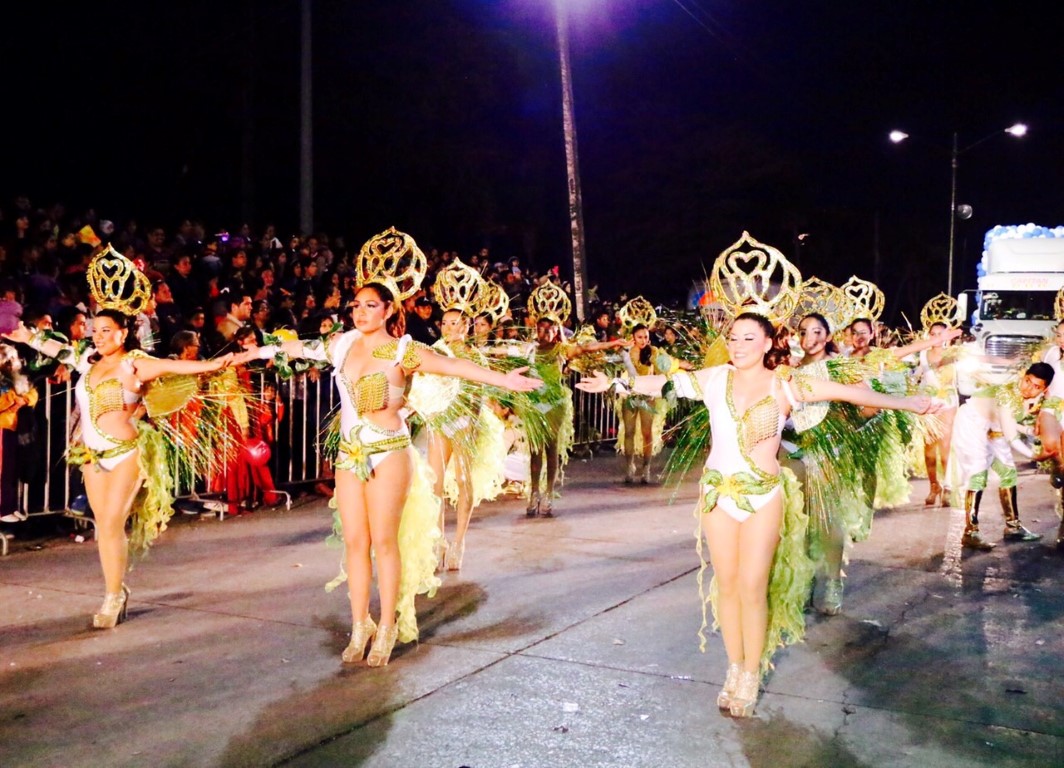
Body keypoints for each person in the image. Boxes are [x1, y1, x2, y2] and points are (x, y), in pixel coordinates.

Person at [578, 311, 940, 717]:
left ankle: (751, 673)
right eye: (733, 337)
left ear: (769, 344)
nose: (738, 345)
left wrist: (909, 403)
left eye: (749, 338)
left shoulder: (787, 383)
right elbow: (665, 383)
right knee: (727, 585)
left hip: (763, 496)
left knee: (753, 587)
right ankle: (734, 667)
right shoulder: (715, 378)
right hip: (718, 493)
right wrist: (616, 382)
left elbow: (848, 393)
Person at [251, 233, 540, 667]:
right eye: (356, 305)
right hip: (351, 454)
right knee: (354, 542)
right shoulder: (342, 344)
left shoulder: (405, 351)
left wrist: (506, 381)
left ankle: (387, 623)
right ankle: (359, 622)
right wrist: (256, 351)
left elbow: (456, 366)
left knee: (384, 541)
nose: (360, 312)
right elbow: (301, 347)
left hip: (389, 453)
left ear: (389, 310)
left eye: (371, 305)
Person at [5, 293, 237, 628]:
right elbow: (57, 349)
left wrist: (214, 364)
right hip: (93, 455)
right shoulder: (87, 360)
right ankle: (116, 588)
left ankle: (112, 598)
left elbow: (173, 365)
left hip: (126, 452)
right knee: (104, 528)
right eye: (95, 330)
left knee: (112, 522)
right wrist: (29, 337)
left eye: (105, 330)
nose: (97, 336)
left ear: (122, 333)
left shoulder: (135, 363)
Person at [950, 363, 1053, 550]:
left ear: (1044, 389)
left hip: (994, 428)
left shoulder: (1028, 398)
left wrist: (1029, 430)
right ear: (1023, 375)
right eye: (1027, 381)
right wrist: (1035, 455)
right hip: (972, 424)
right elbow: (1011, 436)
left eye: (1036, 386)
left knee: (1009, 472)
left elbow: (1009, 422)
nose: (1028, 388)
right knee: (978, 474)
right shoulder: (1007, 393)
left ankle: (1013, 527)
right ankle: (970, 532)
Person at [616, 323, 692, 484]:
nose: (643, 340)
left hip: (647, 396)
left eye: (646, 337)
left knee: (647, 433)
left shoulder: (653, 352)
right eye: (639, 337)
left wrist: (685, 365)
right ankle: (629, 466)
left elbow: (668, 364)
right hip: (630, 395)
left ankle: (646, 468)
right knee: (628, 432)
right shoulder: (627, 352)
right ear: (633, 338)